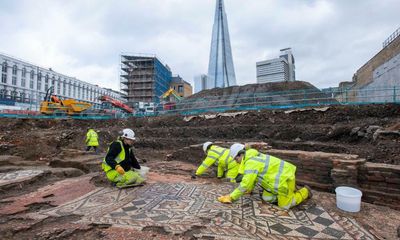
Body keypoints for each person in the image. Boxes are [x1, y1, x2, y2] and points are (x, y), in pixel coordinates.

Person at [217, 143, 312, 210]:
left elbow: (245, 183)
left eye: (235, 158)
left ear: (240, 154)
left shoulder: (251, 162)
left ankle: (305, 192)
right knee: (267, 198)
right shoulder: (251, 157)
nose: (235, 161)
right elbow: (252, 178)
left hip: (285, 179)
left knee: (284, 206)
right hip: (275, 182)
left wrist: (231, 197)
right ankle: (285, 194)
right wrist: (249, 190)